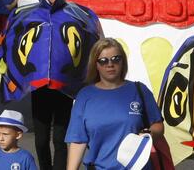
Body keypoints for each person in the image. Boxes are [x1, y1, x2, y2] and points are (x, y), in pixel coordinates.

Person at [66, 38, 164, 170]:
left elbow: (158, 125)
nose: (110, 64)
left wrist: (149, 134)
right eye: (103, 60)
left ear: (123, 61)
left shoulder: (139, 90)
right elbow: (78, 141)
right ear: (95, 64)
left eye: (116, 59)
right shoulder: (84, 96)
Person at [30, 0, 75, 170]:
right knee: (40, 140)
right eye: (49, 1)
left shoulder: (71, 14)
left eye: (54, 1)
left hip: (63, 85)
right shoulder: (34, 15)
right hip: (39, 86)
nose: (51, 5)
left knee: (60, 139)